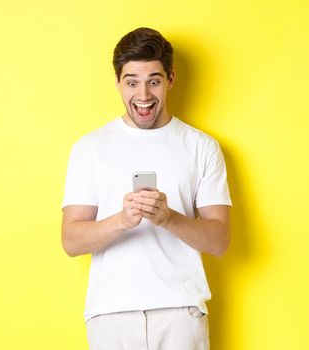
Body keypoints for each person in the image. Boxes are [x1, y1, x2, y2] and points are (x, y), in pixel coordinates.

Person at [61, 27, 232, 350]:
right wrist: (123, 220)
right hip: (110, 314)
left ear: (170, 79)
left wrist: (168, 218)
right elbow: (71, 240)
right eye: (132, 82)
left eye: (153, 81)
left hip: (181, 312)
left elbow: (220, 240)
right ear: (117, 83)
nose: (143, 95)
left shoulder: (201, 147)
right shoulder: (90, 148)